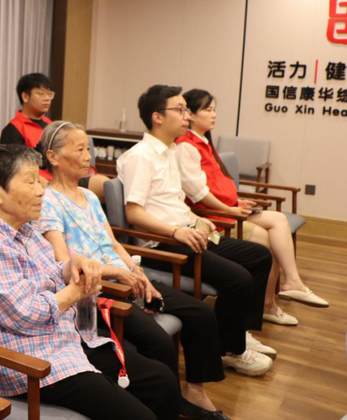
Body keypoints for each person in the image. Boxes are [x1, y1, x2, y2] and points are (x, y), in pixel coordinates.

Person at [0, 144, 179, 420]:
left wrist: (70, 268)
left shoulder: (25, 227)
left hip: (61, 338)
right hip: (23, 361)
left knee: (162, 382)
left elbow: (48, 271)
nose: (41, 190)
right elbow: (24, 314)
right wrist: (75, 292)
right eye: (30, 182)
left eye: (39, 180)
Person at [36, 121, 228, 420]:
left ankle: (192, 393)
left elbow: (113, 242)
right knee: (159, 342)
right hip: (99, 289)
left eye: (88, 148)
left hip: (124, 277)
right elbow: (63, 261)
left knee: (200, 313)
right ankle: (163, 406)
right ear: (53, 157)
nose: (88, 156)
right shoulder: (47, 203)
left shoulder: (89, 196)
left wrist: (137, 273)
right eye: (80, 149)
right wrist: (120, 275)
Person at [117, 85, 275, 376]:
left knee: (259, 256)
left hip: (188, 233)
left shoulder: (170, 151)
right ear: (157, 117)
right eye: (180, 110)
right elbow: (134, 213)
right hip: (162, 243)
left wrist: (196, 219)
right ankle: (230, 350)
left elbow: (174, 201)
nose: (187, 117)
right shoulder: (141, 156)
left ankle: (237, 332)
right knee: (238, 278)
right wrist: (176, 231)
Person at [176, 89, 328, 325]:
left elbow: (217, 185)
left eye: (214, 109)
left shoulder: (204, 142)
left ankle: (290, 284)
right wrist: (230, 209)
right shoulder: (186, 146)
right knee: (266, 240)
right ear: (191, 115)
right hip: (214, 216)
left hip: (227, 210)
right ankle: (269, 303)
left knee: (279, 220)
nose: (214, 115)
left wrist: (236, 203)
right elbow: (199, 193)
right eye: (207, 109)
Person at [0, 72, 108, 198]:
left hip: (66, 176)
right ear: (25, 96)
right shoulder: (13, 129)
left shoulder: (52, 126)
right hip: (44, 182)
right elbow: (17, 170)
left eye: (49, 94)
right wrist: (48, 188)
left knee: (105, 184)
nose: (47, 98)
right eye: (41, 94)